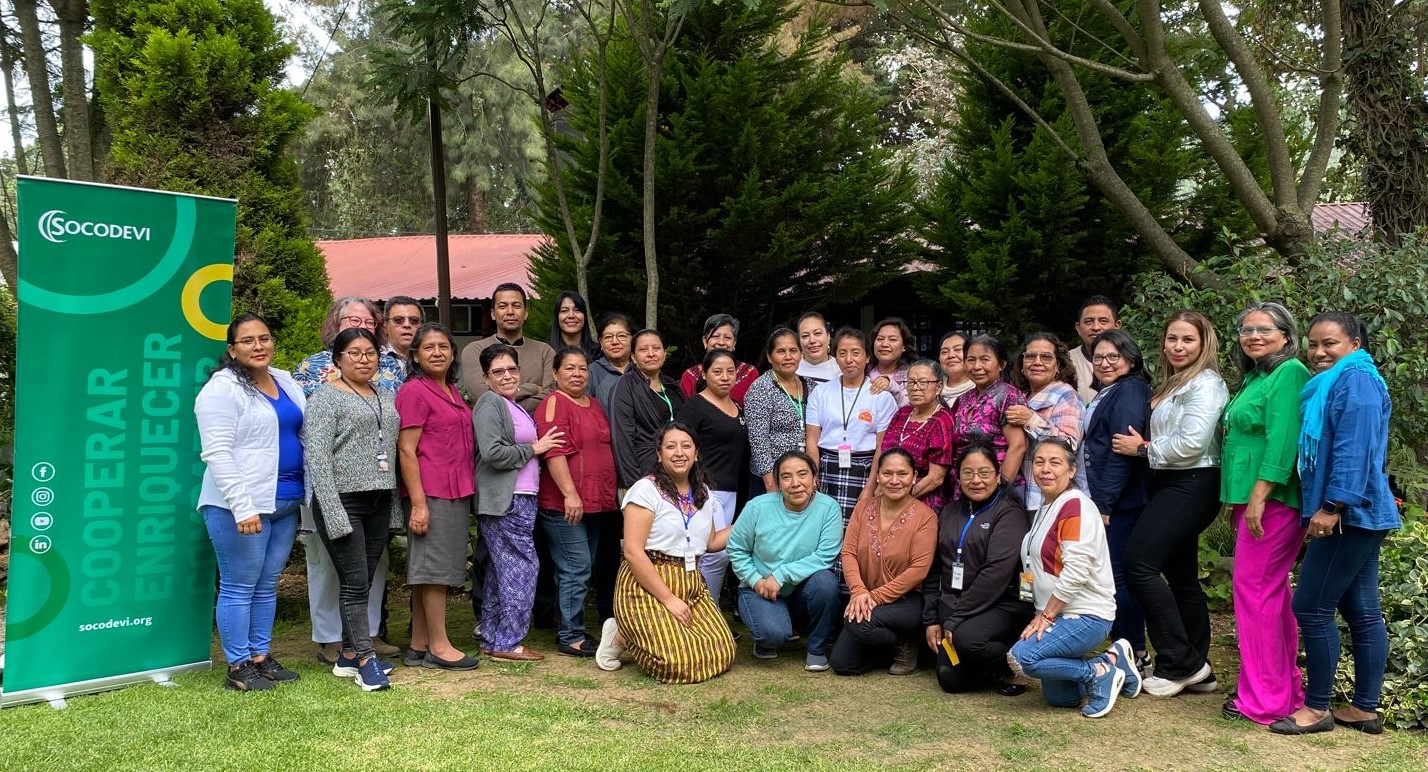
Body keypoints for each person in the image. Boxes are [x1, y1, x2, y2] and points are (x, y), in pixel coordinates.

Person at [1272, 312, 1399, 736]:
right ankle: (1364, 708)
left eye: (1331, 343)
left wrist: (1332, 506)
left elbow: (1354, 449)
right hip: (1360, 512)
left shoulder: (1357, 380)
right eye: (1314, 344)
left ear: (1355, 345)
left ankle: (1316, 708)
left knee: (1310, 605)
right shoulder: (1339, 381)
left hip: (1350, 513)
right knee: (1362, 611)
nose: (1320, 352)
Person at [1116, 311, 1227, 697]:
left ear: (1204, 343)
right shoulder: (1179, 381)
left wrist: (1142, 448)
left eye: (1188, 340)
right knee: (1181, 577)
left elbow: (1192, 444)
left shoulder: (1206, 385)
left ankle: (1181, 661)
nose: (1178, 346)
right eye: (1172, 339)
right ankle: (1200, 667)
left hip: (1192, 482)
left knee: (1139, 564)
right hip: (1173, 482)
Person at [196, 315, 306, 691]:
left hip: (287, 500)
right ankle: (238, 666)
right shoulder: (221, 389)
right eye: (247, 341)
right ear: (232, 349)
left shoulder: (285, 380)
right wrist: (242, 507)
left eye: (264, 338)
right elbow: (217, 453)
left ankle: (261, 656)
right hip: (241, 507)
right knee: (239, 585)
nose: (258, 346)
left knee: (267, 584)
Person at [293, 297, 403, 664]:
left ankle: (364, 636)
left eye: (367, 322)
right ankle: (331, 640)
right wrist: (329, 503)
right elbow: (315, 447)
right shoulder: (313, 373)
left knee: (368, 569)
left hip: (378, 492)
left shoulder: (388, 377)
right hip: (334, 492)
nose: (363, 357)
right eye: (350, 320)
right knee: (329, 565)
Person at [1219, 301, 1311, 725]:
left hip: (1272, 500)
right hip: (1251, 500)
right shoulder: (1256, 376)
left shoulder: (1288, 372)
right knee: (1269, 594)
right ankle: (1283, 691)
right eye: (1246, 329)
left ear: (1287, 336)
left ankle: (1265, 700)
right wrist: (1234, 498)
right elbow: (1241, 442)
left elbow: (1282, 440)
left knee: (1254, 594)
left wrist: (1259, 494)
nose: (1253, 335)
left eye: (1265, 329)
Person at [595, 424, 737, 683]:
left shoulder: (703, 492)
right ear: (659, 455)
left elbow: (713, 541)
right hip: (647, 582)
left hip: (691, 582)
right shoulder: (645, 490)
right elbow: (633, 551)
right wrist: (669, 599)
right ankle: (620, 635)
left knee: (724, 650)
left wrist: (749, 521)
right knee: (676, 662)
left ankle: (627, 632)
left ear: (696, 454)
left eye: (686, 446)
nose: (679, 452)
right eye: (670, 446)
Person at [1010, 437, 1141, 718]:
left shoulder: (1075, 506)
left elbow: (1076, 571)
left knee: (1023, 658)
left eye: (1055, 463)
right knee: (1063, 699)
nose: (1046, 469)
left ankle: (1099, 671)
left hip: (1085, 615)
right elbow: (1033, 567)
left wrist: (1045, 616)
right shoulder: (1047, 506)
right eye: (1040, 462)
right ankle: (1114, 659)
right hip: (1055, 615)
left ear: (1071, 471)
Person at [394, 323, 480, 671]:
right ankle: (439, 647)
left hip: (455, 487)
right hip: (430, 491)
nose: (437, 352)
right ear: (415, 355)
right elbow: (406, 449)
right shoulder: (415, 391)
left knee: (428, 567)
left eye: (443, 346)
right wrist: (418, 503)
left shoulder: (452, 391)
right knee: (435, 571)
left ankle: (418, 643)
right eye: (428, 347)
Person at [473, 343, 566, 662]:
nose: (507, 375)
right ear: (486, 378)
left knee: (503, 571)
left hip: (520, 497)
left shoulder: (512, 405)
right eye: (498, 371)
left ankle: (492, 636)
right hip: (506, 500)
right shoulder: (490, 403)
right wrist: (534, 449)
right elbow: (492, 453)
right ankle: (508, 642)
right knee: (523, 567)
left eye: (512, 369)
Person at [923, 445, 1034, 694]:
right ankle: (989, 668)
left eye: (984, 472)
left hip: (1002, 603)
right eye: (968, 473)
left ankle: (1015, 664)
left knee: (967, 640)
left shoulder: (1009, 513)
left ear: (997, 475)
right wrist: (932, 619)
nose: (976, 480)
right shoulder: (950, 512)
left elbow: (995, 574)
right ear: (958, 477)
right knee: (950, 680)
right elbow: (935, 568)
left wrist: (954, 619)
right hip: (959, 607)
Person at [534, 347, 619, 657]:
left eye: (582, 368)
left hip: (597, 502)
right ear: (556, 374)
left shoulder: (594, 404)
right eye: (569, 368)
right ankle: (571, 634)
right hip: (564, 504)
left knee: (581, 568)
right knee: (576, 567)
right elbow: (553, 451)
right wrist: (570, 493)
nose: (577, 374)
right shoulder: (554, 403)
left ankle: (567, 622)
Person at [728, 451, 844, 672]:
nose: (796, 483)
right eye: (787, 477)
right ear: (778, 482)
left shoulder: (828, 508)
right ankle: (768, 635)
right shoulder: (757, 507)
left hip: (803, 588)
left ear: (814, 478)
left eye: (802, 474)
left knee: (826, 583)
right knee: (772, 635)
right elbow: (736, 548)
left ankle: (817, 650)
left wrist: (781, 576)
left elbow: (826, 555)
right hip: (761, 588)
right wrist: (756, 581)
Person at [1078, 329, 1152, 671]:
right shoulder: (1110, 391)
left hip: (1118, 502)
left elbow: (1122, 451)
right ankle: (1125, 645)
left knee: (1118, 577)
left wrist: (1105, 504)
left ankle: (1134, 649)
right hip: (1104, 498)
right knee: (1112, 575)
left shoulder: (1130, 389)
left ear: (1131, 360)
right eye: (1098, 357)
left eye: (1113, 357)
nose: (1105, 363)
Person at [831, 449, 938, 676]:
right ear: (877, 476)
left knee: (856, 623)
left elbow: (919, 570)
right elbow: (848, 552)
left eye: (902, 474)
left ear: (914, 476)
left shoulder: (925, 516)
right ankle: (890, 647)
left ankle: (905, 642)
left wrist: (873, 597)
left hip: (907, 601)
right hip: (866, 597)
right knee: (843, 664)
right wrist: (859, 591)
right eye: (887, 473)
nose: (895, 480)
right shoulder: (863, 507)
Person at [805, 327, 899, 553]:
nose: (849, 360)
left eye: (856, 353)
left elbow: (882, 447)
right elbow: (811, 439)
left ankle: (852, 586)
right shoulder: (821, 392)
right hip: (827, 466)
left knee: (861, 532)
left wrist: (871, 484)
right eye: (842, 353)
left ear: (867, 357)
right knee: (824, 530)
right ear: (835, 356)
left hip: (865, 468)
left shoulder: (882, 397)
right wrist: (813, 475)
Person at [676, 348, 749, 602]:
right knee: (712, 554)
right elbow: (678, 447)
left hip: (732, 490)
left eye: (731, 372)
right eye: (717, 372)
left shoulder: (738, 407)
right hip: (704, 489)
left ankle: (708, 612)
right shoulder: (693, 408)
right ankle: (705, 612)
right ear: (705, 374)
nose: (725, 377)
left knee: (723, 553)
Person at [1006, 332, 1083, 511]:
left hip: (1047, 499)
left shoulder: (1065, 394)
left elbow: (1068, 444)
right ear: (1022, 364)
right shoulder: (1019, 395)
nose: (1037, 362)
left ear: (1059, 365)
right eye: (1030, 356)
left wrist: (1031, 420)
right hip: (1019, 497)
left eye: (1046, 357)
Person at [459, 283, 555, 412]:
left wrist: (504, 399)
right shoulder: (475, 351)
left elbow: (551, 396)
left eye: (516, 306)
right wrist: (533, 388)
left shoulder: (545, 351)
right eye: (503, 306)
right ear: (493, 314)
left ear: (525, 313)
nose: (510, 312)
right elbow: (485, 397)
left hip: (538, 429)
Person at [950, 335, 1028, 491]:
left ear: (1001, 364)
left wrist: (1000, 490)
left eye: (985, 359)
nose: (977, 366)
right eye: (971, 360)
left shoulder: (1008, 396)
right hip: (965, 486)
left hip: (998, 488)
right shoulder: (963, 399)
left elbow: (1018, 446)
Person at [611, 328, 685, 489]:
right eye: (643, 349)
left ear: (664, 353)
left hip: (678, 471)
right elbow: (622, 438)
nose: (651, 354)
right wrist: (634, 485)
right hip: (645, 472)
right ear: (633, 357)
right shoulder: (626, 385)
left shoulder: (672, 386)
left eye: (656, 348)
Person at [880, 359, 956, 515]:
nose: (915, 388)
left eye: (922, 382)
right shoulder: (902, 413)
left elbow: (936, 478)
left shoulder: (942, 421)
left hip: (922, 501)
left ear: (938, 387)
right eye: (911, 382)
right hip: (889, 493)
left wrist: (900, 499)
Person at [745, 328, 815, 493]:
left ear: (801, 354)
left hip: (803, 475)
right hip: (772, 478)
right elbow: (758, 440)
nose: (788, 357)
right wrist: (770, 483)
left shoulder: (811, 386)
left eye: (793, 351)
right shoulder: (761, 389)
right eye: (781, 351)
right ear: (770, 356)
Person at [678, 313, 760, 406]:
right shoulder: (690, 376)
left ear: (734, 343)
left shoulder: (750, 373)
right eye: (715, 336)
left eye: (727, 337)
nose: (721, 342)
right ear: (705, 341)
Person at [1069, 295, 1122, 404]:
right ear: (1078, 328)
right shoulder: (1066, 362)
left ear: (1117, 326)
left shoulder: (1130, 362)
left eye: (1103, 321)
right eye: (1089, 321)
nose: (1096, 327)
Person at [588, 312, 634, 420]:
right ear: (601, 342)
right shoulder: (591, 373)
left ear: (632, 339)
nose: (615, 342)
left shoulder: (643, 369)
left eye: (622, 336)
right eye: (608, 337)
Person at [868, 317, 916, 408]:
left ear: (904, 346)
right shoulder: (863, 372)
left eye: (892, 339)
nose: (885, 344)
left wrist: (891, 385)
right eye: (880, 339)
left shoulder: (912, 376)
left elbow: (911, 408)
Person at [382, 295, 425, 377]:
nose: (407, 325)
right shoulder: (372, 360)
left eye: (414, 320)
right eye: (398, 320)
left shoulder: (433, 358)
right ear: (385, 326)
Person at [550, 291, 599, 360]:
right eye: (564, 311)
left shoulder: (599, 353)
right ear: (557, 317)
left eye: (577, 310)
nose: (571, 315)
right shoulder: (547, 353)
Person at [796, 311, 841, 384]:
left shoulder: (842, 370)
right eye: (805, 336)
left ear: (828, 336)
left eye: (817, 333)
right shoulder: (792, 370)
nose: (812, 340)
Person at [938, 331, 974, 408]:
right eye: (944, 352)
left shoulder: (981, 389)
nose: (951, 355)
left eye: (958, 349)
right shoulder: (933, 388)